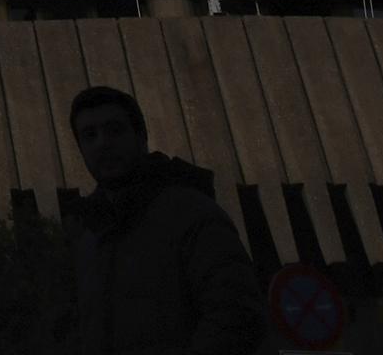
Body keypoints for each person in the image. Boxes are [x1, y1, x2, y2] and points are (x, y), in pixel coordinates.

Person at [61, 84, 261, 355]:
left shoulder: (191, 215)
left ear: (141, 136)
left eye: (114, 130)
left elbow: (234, 315)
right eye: (89, 135)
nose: (103, 143)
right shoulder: (87, 236)